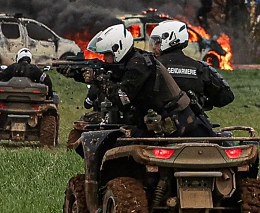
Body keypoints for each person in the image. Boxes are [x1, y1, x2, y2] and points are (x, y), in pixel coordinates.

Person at [84, 23, 215, 138]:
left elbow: (122, 100)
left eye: (106, 54)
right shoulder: (139, 60)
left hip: (177, 127)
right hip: (171, 124)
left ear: (117, 49)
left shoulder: (139, 65)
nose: (104, 59)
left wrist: (98, 79)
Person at [149, 20, 234, 118]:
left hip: (156, 128)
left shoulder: (151, 66)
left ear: (170, 40)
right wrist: (203, 101)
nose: (155, 47)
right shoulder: (200, 68)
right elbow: (226, 97)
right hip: (193, 128)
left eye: (157, 43)